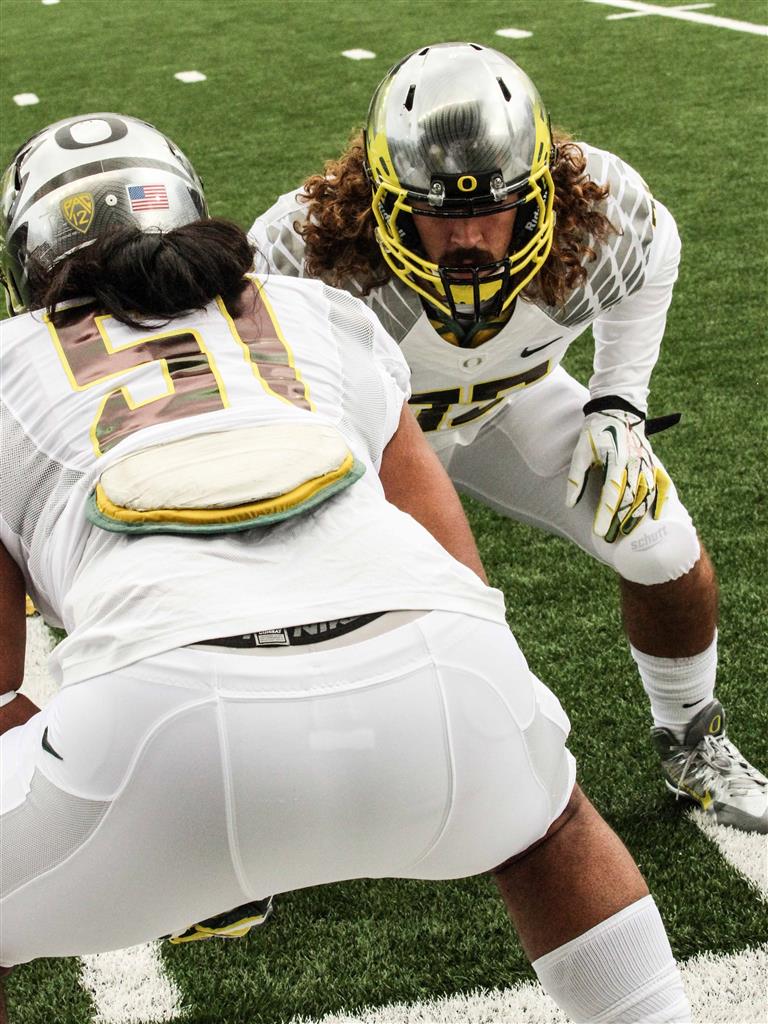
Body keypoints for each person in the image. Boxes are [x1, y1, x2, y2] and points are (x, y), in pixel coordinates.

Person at [0, 113, 692, 1024]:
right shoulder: (317, 313)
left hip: (161, 721)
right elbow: (455, 569)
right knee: (550, 830)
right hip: (441, 680)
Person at [250, 41, 767, 833]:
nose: (468, 240)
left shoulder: (599, 216)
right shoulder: (307, 250)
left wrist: (618, 402)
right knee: (285, 600)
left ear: (541, 194)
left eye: (491, 209)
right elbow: (262, 385)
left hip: (510, 407)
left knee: (661, 546)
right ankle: (262, 801)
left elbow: (656, 256)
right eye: (437, 214)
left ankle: (692, 741)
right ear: (382, 201)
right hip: (367, 441)